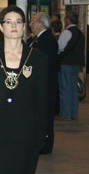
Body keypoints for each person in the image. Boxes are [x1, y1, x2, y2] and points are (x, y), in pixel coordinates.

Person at [0, 6, 48, 174]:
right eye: (9, 22)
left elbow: (43, 99)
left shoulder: (38, 59)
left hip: (25, 131)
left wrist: (44, 132)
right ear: (1, 27)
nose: (14, 26)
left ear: (24, 26)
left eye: (18, 21)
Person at [28, 12, 58, 154]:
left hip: (45, 85)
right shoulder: (39, 39)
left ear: (40, 24)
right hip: (40, 85)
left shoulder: (47, 40)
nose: (30, 24)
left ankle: (45, 145)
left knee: (45, 115)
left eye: (33, 21)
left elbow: (44, 64)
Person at [57, 10, 84, 121]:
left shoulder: (67, 32)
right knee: (73, 89)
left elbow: (60, 47)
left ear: (68, 19)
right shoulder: (80, 33)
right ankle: (74, 113)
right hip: (76, 63)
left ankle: (65, 114)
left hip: (66, 63)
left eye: (65, 18)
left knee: (65, 89)